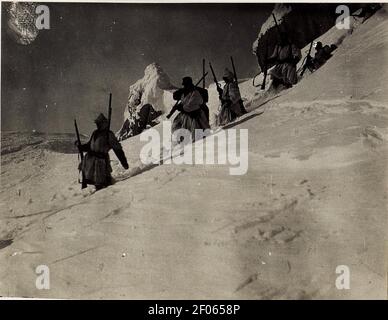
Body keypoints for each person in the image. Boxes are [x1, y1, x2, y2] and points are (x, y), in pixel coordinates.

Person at [76, 113, 129, 190]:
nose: (97, 125)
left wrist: (124, 162)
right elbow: (89, 146)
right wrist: (81, 147)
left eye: (99, 123)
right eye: (97, 123)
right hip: (91, 163)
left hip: (101, 163)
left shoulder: (109, 134)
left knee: (102, 185)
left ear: (104, 123)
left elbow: (117, 149)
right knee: (93, 182)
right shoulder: (95, 133)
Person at [172, 76, 210, 141]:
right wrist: (180, 106)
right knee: (176, 125)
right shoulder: (185, 93)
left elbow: (190, 106)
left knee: (197, 136)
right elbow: (179, 99)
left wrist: (181, 107)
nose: (185, 87)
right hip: (186, 115)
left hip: (195, 116)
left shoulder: (195, 93)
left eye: (186, 85)